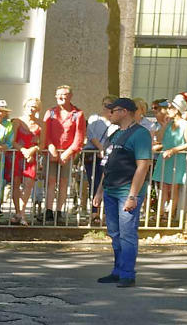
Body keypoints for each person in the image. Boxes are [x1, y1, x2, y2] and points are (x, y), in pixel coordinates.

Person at [91, 97, 154, 287]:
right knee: (115, 232)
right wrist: (100, 191)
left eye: (113, 110)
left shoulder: (140, 134)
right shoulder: (115, 134)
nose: (110, 114)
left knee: (127, 233)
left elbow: (143, 166)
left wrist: (133, 195)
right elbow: (108, 164)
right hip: (111, 189)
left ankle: (127, 274)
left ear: (124, 112)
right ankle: (117, 270)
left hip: (127, 191)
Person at [41, 86, 84, 225]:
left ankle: (59, 211)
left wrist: (69, 152)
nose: (61, 97)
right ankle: (48, 211)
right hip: (52, 152)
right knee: (51, 181)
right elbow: (45, 133)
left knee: (64, 182)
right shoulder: (51, 112)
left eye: (64, 94)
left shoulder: (78, 114)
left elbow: (79, 136)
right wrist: (50, 147)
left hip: (67, 153)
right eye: (58, 94)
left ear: (70, 96)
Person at [13, 97, 43, 222]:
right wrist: (23, 150)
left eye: (35, 107)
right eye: (30, 106)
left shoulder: (41, 123)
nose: (32, 109)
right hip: (18, 154)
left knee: (29, 185)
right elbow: (12, 141)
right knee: (16, 184)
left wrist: (33, 149)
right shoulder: (17, 121)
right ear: (24, 106)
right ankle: (18, 213)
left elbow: (43, 143)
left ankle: (21, 212)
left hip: (32, 156)